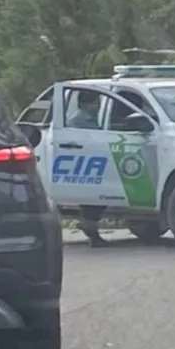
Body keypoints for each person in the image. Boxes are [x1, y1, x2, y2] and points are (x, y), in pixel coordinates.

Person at [69, 92, 107, 246]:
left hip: (94, 163)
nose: (97, 106)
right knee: (92, 200)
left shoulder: (90, 119)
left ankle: (91, 229)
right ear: (85, 104)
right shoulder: (78, 122)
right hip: (87, 165)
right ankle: (91, 231)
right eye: (95, 103)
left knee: (96, 201)